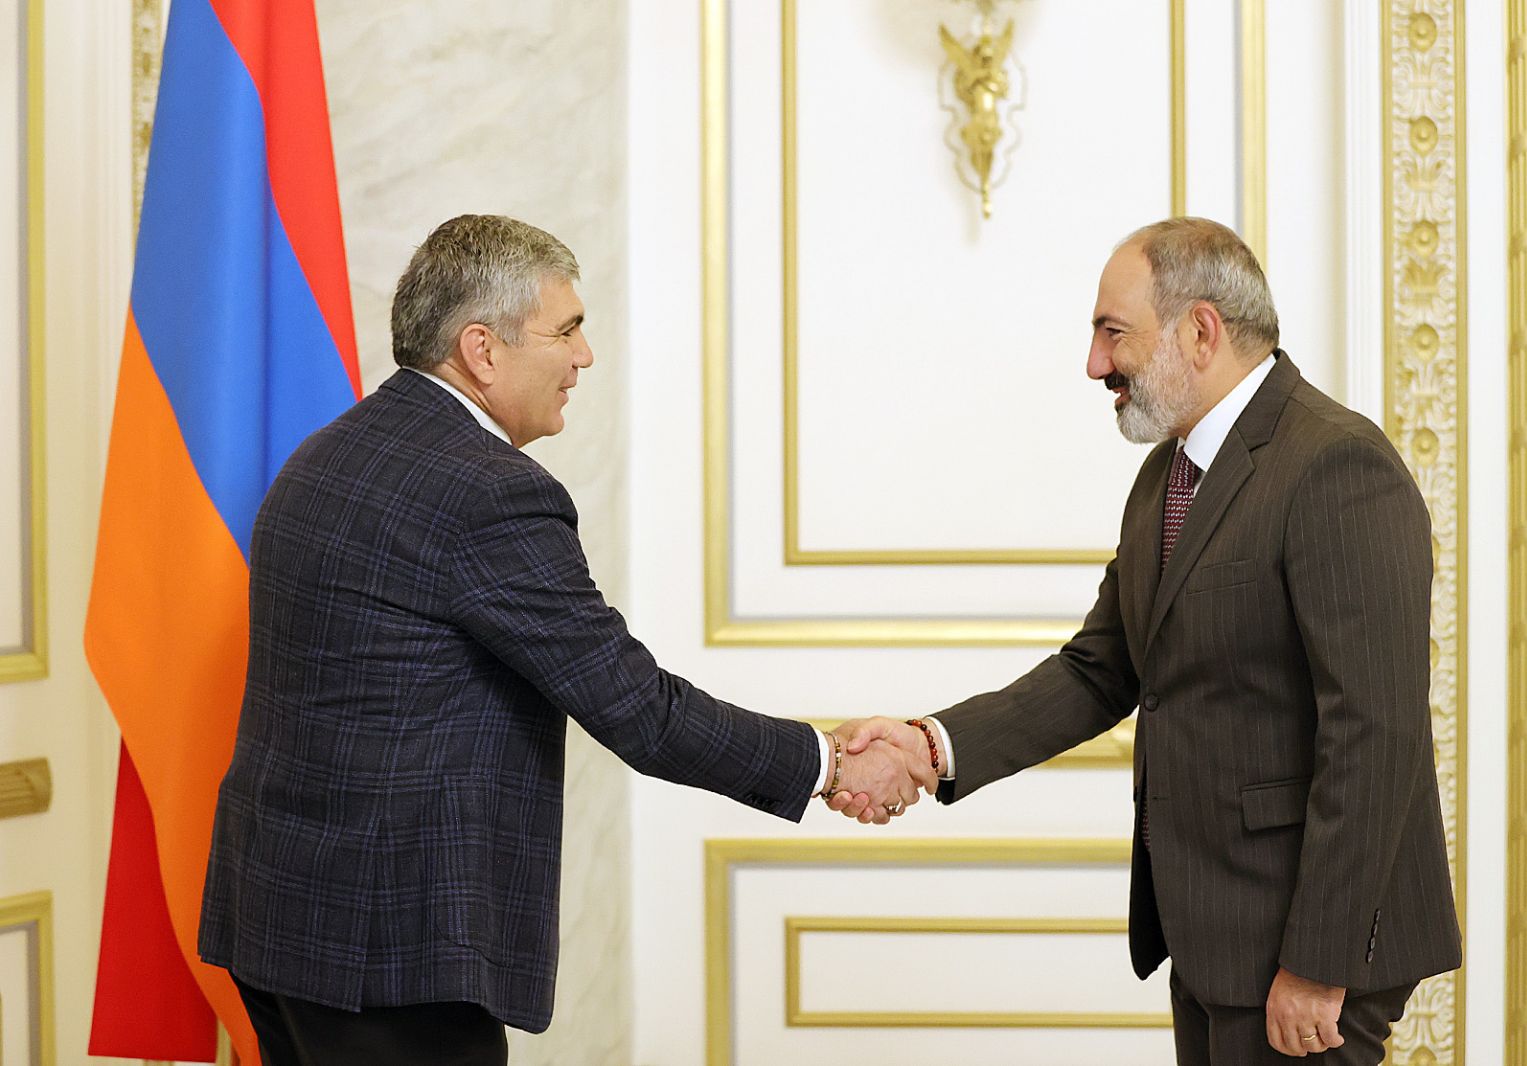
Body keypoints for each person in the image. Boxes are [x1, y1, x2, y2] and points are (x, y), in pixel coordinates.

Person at [197, 214, 932, 1065]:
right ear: (482, 349)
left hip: (278, 918)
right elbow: (640, 712)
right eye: (567, 330)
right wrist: (830, 764)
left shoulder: (322, 457)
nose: (585, 356)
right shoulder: (487, 493)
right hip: (390, 955)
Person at [830, 218, 1461, 1064]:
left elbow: (1376, 734)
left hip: (1302, 947)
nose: (1096, 364)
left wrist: (1320, 961)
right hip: (1210, 932)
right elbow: (1100, 669)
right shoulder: (1168, 474)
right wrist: (927, 747)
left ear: (1200, 331)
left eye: (1112, 332)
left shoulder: (1337, 465)